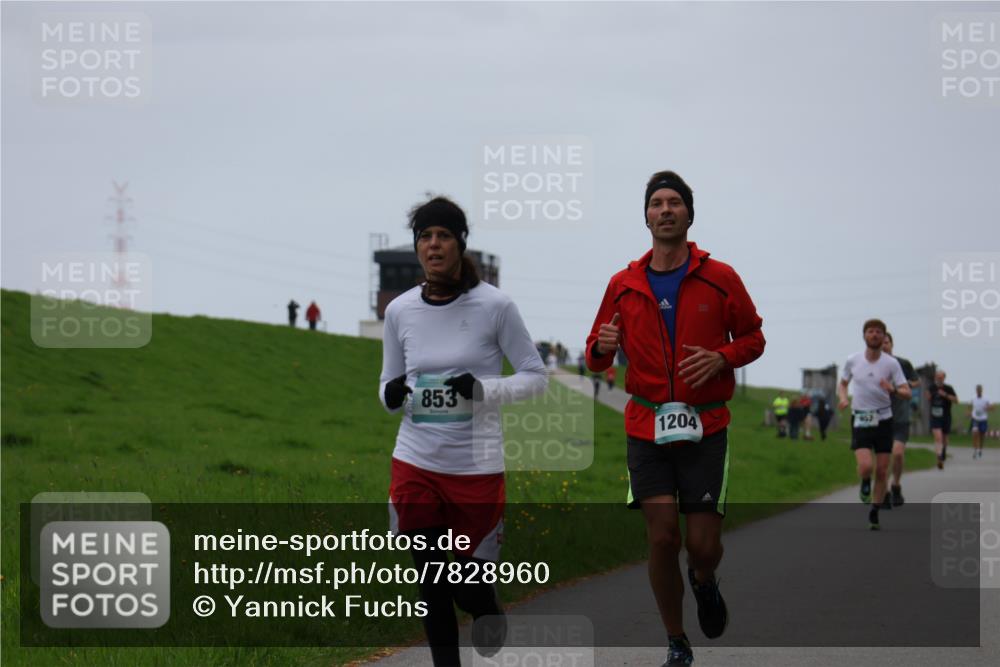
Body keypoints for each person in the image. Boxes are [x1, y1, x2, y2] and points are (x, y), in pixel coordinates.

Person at [586, 170, 765, 667]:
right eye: (656, 203)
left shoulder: (720, 277)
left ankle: (704, 581)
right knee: (663, 536)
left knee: (702, 546)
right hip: (646, 427)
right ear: (645, 216)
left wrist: (722, 358)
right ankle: (676, 640)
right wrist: (601, 349)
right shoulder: (623, 284)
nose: (665, 210)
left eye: (674, 203)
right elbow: (595, 354)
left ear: (689, 214)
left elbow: (753, 337)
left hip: (706, 428)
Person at [378, 196, 547, 666]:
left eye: (443, 236)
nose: (433, 245)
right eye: (425, 237)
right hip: (415, 460)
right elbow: (388, 383)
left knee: (465, 586)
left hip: (475, 466)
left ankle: (486, 604)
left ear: (460, 244)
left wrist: (482, 391)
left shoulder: (495, 306)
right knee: (432, 582)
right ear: (417, 248)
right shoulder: (401, 311)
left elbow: (536, 378)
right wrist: (389, 396)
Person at [837, 319, 911, 530]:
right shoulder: (853, 360)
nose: (875, 335)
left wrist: (893, 389)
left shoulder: (891, 363)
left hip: (884, 420)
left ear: (883, 336)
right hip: (860, 418)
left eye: (879, 332)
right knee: (866, 466)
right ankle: (864, 482)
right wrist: (843, 398)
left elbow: (906, 391)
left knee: (881, 470)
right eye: (871, 331)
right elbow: (843, 383)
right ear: (864, 336)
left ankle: (875, 510)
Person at [880, 332, 920, 506]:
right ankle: (886, 493)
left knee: (897, 453)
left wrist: (908, 385)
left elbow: (916, 381)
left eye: (886, 342)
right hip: (881, 417)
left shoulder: (903, 364)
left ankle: (896, 485)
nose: (884, 346)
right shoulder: (873, 366)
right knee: (883, 458)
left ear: (892, 344)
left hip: (901, 417)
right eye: (881, 343)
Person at [929, 371, 958, 469]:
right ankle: (939, 458)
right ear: (935, 378)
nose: (939, 379)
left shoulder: (948, 388)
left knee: (945, 438)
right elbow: (927, 397)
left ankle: (943, 450)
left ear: (944, 378)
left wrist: (945, 395)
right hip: (935, 416)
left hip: (946, 416)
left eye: (941, 377)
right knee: (938, 437)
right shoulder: (931, 387)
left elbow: (956, 400)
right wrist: (931, 394)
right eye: (937, 377)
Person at [969, 384, 991, 460]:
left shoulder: (986, 399)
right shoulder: (973, 398)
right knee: (975, 434)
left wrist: (987, 408)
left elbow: (991, 407)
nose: (978, 391)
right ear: (976, 391)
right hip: (975, 419)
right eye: (977, 390)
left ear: (982, 390)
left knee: (981, 436)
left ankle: (980, 450)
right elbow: (970, 406)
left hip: (983, 419)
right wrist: (968, 413)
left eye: (980, 390)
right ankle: (975, 451)